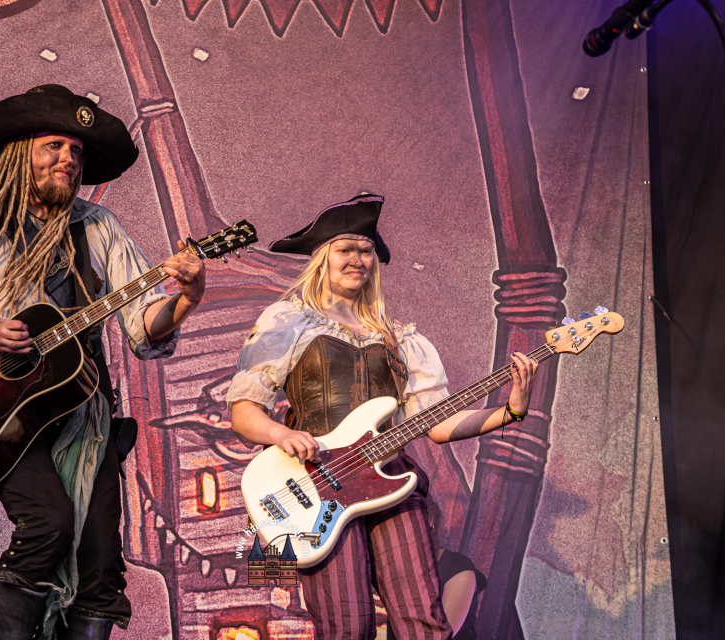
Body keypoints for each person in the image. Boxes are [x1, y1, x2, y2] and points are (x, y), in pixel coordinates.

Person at [0, 85, 206, 640]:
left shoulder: (98, 227)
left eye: (76, 151)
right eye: (54, 145)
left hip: (80, 413)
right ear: (18, 153)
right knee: (47, 524)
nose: (68, 159)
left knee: (100, 566)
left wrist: (186, 300)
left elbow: (142, 325)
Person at [226, 194, 537, 640]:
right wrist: (280, 433)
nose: (358, 260)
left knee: (423, 622)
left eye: (366, 250)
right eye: (346, 249)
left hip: (390, 479)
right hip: (317, 485)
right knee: (348, 627)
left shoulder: (398, 339)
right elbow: (243, 412)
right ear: (321, 258)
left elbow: (437, 425)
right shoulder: (289, 322)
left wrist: (509, 410)